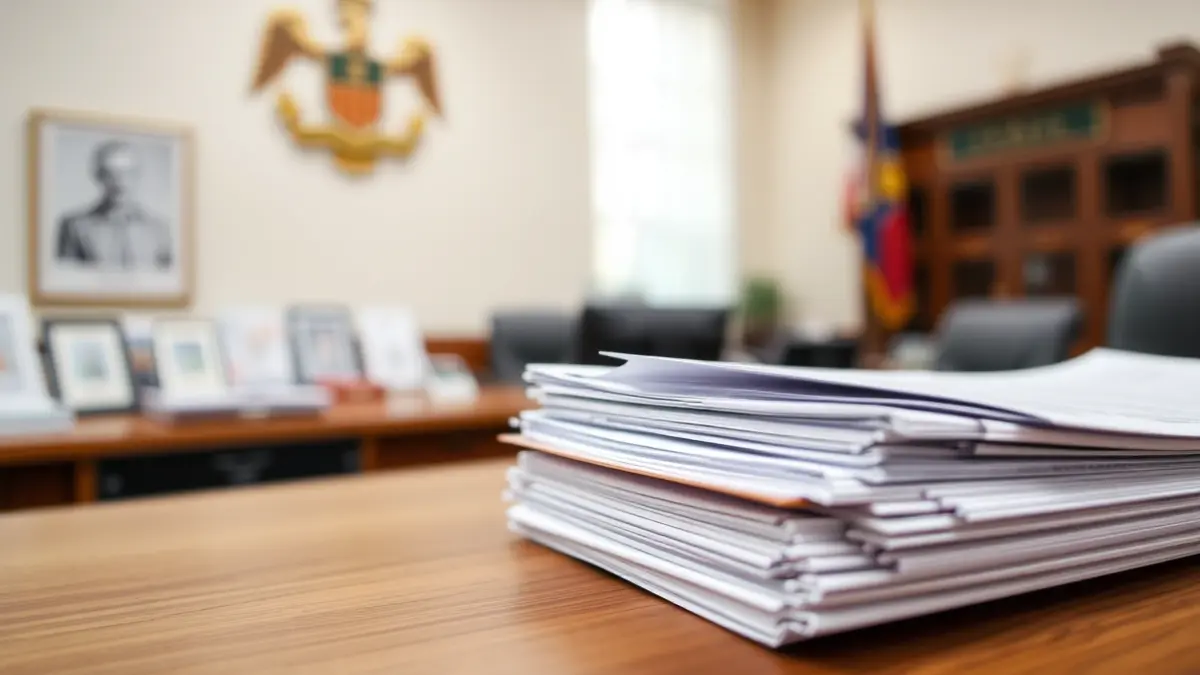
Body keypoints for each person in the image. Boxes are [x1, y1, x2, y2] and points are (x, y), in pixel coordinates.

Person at [56, 141, 172, 270]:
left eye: (128, 173)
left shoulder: (159, 229)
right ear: (98, 176)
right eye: (110, 174)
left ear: (138, 175)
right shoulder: (75, 226)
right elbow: (65, 280)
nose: (120, 182)